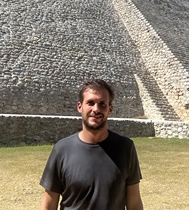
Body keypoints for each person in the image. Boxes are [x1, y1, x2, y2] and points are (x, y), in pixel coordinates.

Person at [40, 79, 144, 210]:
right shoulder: (62, 149)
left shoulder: (125, 148)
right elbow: (49, 204)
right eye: (90, 103)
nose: (96, 109)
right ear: (80, 107)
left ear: (110, 109)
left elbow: (134, 202)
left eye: (102, 104)